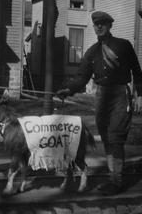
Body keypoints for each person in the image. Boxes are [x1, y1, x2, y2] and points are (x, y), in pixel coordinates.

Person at [56, 11, 142, 195]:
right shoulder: (92, 52)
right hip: (102, 96)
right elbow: (81, 77)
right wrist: (68, 90)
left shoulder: (123, 45)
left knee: (116, 137)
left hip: (120, 94)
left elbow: (137, 71)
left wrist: (140, 95)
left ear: (110, 25)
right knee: (106, 138)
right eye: (96, 24)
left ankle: (117, 182)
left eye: (103, 23)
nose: (99, 27)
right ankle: (113, 179)